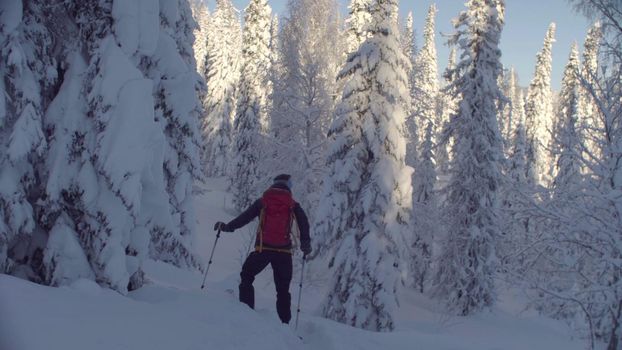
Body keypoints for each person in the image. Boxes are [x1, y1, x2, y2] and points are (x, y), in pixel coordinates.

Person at [214, 174, 311, 324]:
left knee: (247, 276)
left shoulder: (263, 201)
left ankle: (247, 314)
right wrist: (305, 243)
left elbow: (245, 217)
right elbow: (303, 222)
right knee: (283, 289)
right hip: (284, 252)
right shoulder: (293, 204)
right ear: (288, 186)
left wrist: (227, 227)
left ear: (273, 184)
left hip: (263, 249)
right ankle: (284, 324)